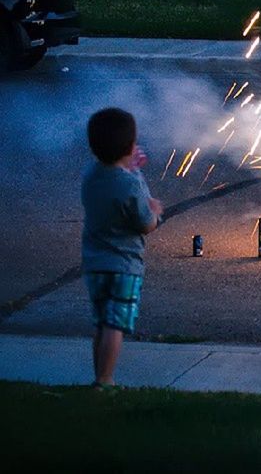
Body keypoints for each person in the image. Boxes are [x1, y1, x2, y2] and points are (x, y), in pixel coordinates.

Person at [81, 108, 163, 390]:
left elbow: (115, 184)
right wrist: (154, 212)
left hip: (94, 264)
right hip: (124, 266)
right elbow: (144, 223)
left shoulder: (91, 175)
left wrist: (130, 168)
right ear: (130, 146)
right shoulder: (129, 183)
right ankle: (106, 380)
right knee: (116, 325)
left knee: (101, 323)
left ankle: (98, 376)